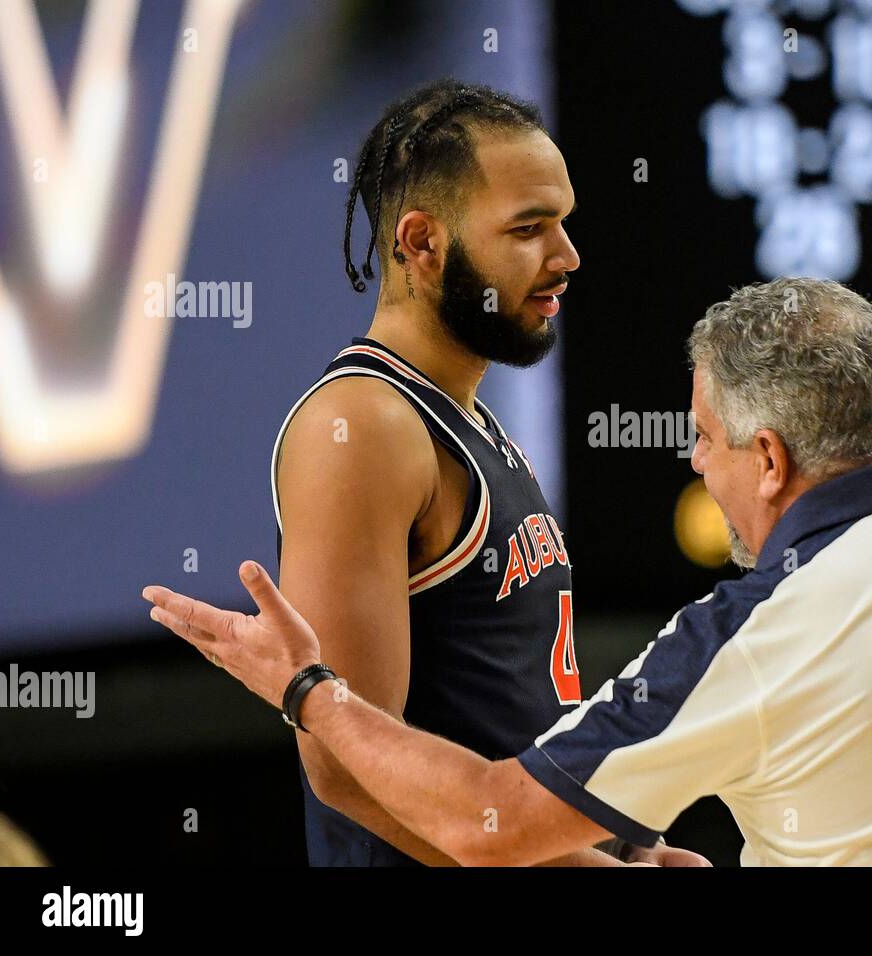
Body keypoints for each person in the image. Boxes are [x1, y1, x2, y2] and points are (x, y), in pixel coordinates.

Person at [147, 277, 872, 866]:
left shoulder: (763, 624)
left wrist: (310, 692)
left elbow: (485, 823)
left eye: (703, 436)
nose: (693, 460)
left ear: (768, 458)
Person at [270, 77, 701, 867]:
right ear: (423, 243)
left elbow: (509, 711)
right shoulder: (364, 428)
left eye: (563, 224)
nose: (567, 257)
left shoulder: (473, 423)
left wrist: (624, 845)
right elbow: (344, 760)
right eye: (530, 228)